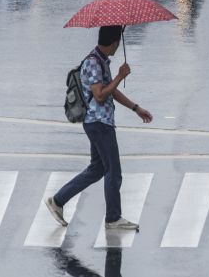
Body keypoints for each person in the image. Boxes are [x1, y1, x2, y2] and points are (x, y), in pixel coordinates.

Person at [47, 25, 151, 232]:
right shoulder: (94, 63)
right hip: (98, 123)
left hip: (99, 122)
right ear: (113, 43)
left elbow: (109, 91)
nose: (118, 46)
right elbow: (100, 94)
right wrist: (120, 76)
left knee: (97, 169)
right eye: (117, 42)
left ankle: (58, 201)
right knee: (113, 171)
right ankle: (113, 217)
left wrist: (136, 108)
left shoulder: (100, 61)